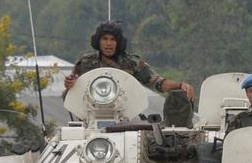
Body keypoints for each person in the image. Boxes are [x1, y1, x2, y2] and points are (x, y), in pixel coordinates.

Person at [62, 20, 195, 102]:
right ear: (98, 40)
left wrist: (180, 85)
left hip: (124, 117)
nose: (109, 44)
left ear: (118, 42)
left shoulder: (132, 63)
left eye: (113, 39)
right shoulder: (85, 63)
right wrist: (70, 86)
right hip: (90, 118)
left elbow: (158, 83)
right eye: (105, 39)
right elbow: (68, 96)